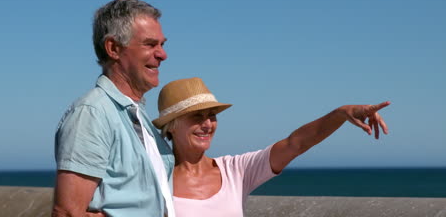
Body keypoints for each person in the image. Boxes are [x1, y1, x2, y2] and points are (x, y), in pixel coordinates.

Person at [152, 77, 390, 217]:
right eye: (196, 116)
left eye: (211, 115)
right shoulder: (153, 180)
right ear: (171, 126)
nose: (207, 124)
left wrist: (341, 113)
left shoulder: (235, 171)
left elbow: (295, 144)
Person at [53, 0, 175, 217]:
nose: (162, 55)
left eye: (162, 44)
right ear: (113, 48)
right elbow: (67, 212)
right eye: (150, 44)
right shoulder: (92, 114)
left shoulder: (136, 115)